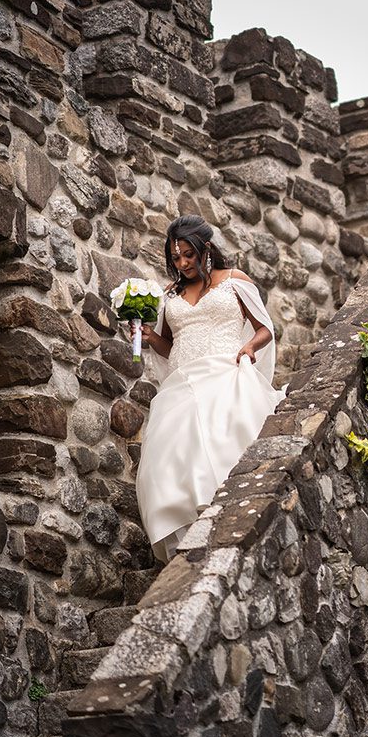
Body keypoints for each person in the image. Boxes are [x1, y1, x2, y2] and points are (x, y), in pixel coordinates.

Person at [131, 215, 285, 563]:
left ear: (206, 250)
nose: (182, 263)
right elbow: (169, 347)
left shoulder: (234, 281)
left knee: (221, 439)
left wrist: (249, 348)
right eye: (175, 257)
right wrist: (149, 337)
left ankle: (232, 514)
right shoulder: (171, 295)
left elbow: (264, 329)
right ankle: (194, 530)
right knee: (175, 453)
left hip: (225, 370)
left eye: (188, 254)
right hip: (182, 380)